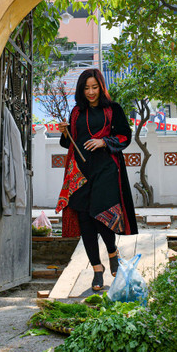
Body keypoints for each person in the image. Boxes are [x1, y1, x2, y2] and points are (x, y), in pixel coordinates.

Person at [56, 68, 138, 291]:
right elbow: (69, 143)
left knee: (101, 215)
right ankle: (97, 269)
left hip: (106, 169)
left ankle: (112, 251)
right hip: (80, 173)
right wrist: (65, 133)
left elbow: (124, 136)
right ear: (81, 90)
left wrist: (104, 142)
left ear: (101, 87)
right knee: (84, 218)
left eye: (94, 87)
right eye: (86, 88)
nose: (91, 92)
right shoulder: (76, 112)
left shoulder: (113, 109)